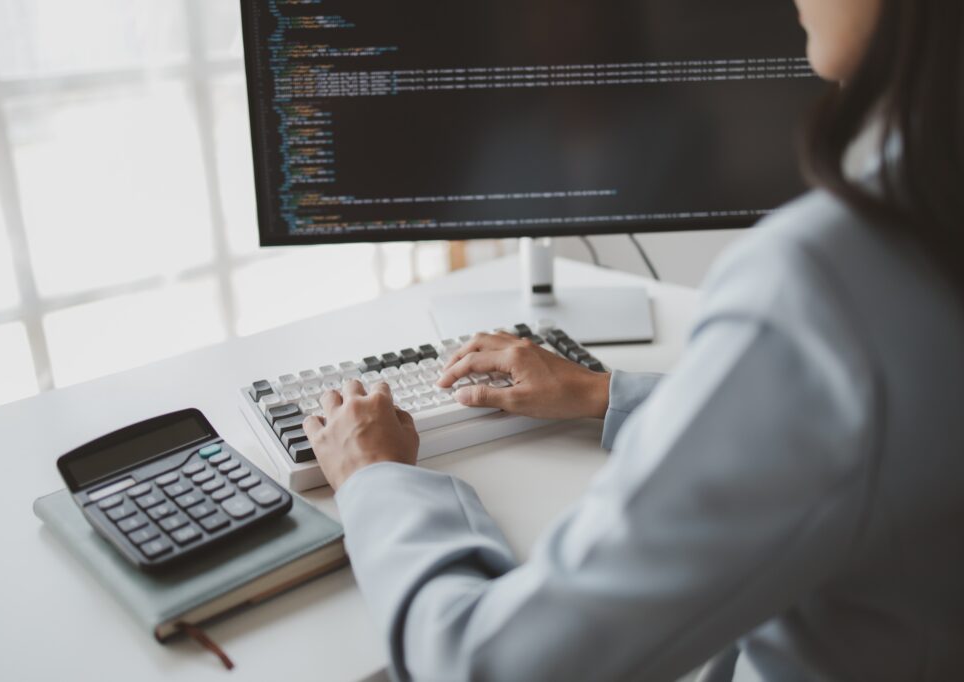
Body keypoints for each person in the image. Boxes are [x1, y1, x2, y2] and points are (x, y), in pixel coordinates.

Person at [303, 0, 964, 679]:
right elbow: (880, 435)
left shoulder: (830, 283)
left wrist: (376, 479)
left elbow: (480, 663)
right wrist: (607, 392)